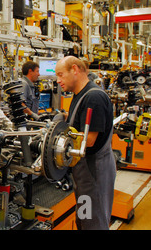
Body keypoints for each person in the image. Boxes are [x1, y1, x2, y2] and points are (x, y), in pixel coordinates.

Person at [55, 56, 116, 230]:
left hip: (94, 171)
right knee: (84, 216)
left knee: (93, 221)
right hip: (84, 173)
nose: (58, 80)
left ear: (74, 69)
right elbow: (79, 124)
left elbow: (88, 141)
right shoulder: (80, 94)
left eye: (61, 74)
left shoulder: (93, 97)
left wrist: (56, 139)